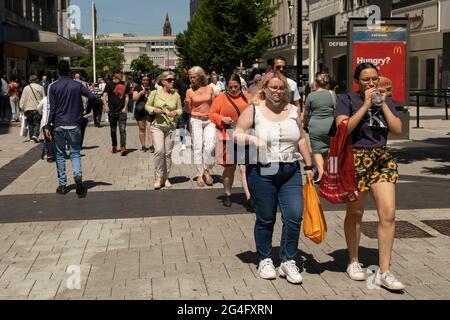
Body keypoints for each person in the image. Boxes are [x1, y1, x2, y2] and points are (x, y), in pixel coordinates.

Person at [234, 71, 314, 285]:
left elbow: (302, 140)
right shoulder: (254, 110)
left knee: (294, 215)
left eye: (281, 88)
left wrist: (309, 165)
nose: (277, 92)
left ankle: (288, 260)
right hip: (262, 172)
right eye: (273, 88)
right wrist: (253, 139)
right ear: (265, 89)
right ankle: (265, 258)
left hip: (290, 170)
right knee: (266, 217)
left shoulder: (293, 111)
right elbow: (237, 133)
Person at [335, 62, 404, 291]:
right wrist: (365, 105)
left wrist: (383, 104)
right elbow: (343, 127)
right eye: (366, 80)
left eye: (374, 78)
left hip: (381, 158)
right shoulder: (347, 99)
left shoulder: (385, 98)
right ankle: (353, 260)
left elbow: (396, 129)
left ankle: (384, 271)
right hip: (356, 157)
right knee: (355, 212)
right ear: (358, 81)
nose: (372, 83)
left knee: (389, 213)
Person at [44, 60, 96, 197]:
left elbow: (51, 108)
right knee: (75, 152)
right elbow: (92, 96)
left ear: (58, 71)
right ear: (69, 71)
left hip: (58, 124)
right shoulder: (77, 85)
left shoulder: (52, 86)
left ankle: (62, 185)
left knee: (60, 154)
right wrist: (86, 110)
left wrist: (47, 125)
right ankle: (78, 176)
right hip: (74, 123)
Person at [209, 73, 254, 211]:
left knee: (245, 168)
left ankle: (249, 198)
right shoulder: (221, 98)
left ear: (240, 85)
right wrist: (222, 118)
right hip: (228, 135)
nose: (233, 89)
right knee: (230, 168)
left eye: (235, 86)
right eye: (230, 87)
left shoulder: (248, 97)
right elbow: (212, 113)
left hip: (246, 136)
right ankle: (227, 193)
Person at [145, 71, 182, 190]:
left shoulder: (176, 95)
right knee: (159, 151)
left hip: (171, 126)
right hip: (157, 126)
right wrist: (154, 110)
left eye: (173, 80)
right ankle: (158, 177)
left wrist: (176, 112)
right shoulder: (154, 93)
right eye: (169, 80)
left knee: (168, 153)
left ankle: (166, 177)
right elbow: (147, 106)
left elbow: (181, 109)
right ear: (162, 81)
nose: (172, 82)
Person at [185, 66, 216, 187]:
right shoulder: (189, 91)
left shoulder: (209, 88)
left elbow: (214, 105)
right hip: (196, 120)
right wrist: (187, 104)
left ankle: (206, 169)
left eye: (194, 77)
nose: (192, 80)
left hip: (209, 120)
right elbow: (188, 110)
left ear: (200, 77)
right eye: (190, 77)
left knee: (209, 145)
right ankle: (200, 174)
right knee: (198, 147)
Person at [303, 72, 336, 182]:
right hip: (331, 125)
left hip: (315, 125)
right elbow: (336, 109)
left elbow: (306, 113)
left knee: (317, 150)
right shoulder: (332, 94)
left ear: (316, 82)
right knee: (330, 149)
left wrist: (304, 124)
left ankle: (321, 173)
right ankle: (331, 173)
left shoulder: (311, 96)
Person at [103, 70, 130, 156]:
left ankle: (123, 147)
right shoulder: (109, 84)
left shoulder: (125, 84)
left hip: (121, 111)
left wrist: (125, 107)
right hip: (111, 111)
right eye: (118, 74)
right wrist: (106, 105)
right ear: (114, 75)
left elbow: (126, 97)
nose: (120, 76)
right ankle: (114, 146)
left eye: (121, 74)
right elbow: (104, 95)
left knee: (122, 130)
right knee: (113, 130)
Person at [133, 75, 155, 153]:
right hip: (140, 111)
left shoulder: (153, 87)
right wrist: (141, 93)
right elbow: (134, 98)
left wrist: (150, 93)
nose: (145, 81)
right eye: (144, 80)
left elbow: (156, 97)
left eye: (147, 80)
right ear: (141, 81)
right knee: (142, 128)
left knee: (150, 128)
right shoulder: (137, 87)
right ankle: (143, 145)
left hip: (149, 111)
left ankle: (151, 145)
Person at [19, 75, 45, 143]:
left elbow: (22, 99)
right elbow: (44, 99)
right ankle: (35, 135)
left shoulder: (26, 88)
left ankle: (31, 137)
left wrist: (22, 108)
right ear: (37, 80)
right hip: (37, 108)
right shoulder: (40, 87)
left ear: (30, 81)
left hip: (28, 108)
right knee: (37, 122)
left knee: (30, 123)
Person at [174, 67, 191, 151]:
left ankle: (190, 141)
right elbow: (176, 93)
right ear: (182, 73)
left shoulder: (193, 81)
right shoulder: (178, 81)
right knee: (181, 125)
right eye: (184, 73)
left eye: (187, 73)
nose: (186, 75)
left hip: (192, 106)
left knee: (191, 125)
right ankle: (183, 142)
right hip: (182, 106)